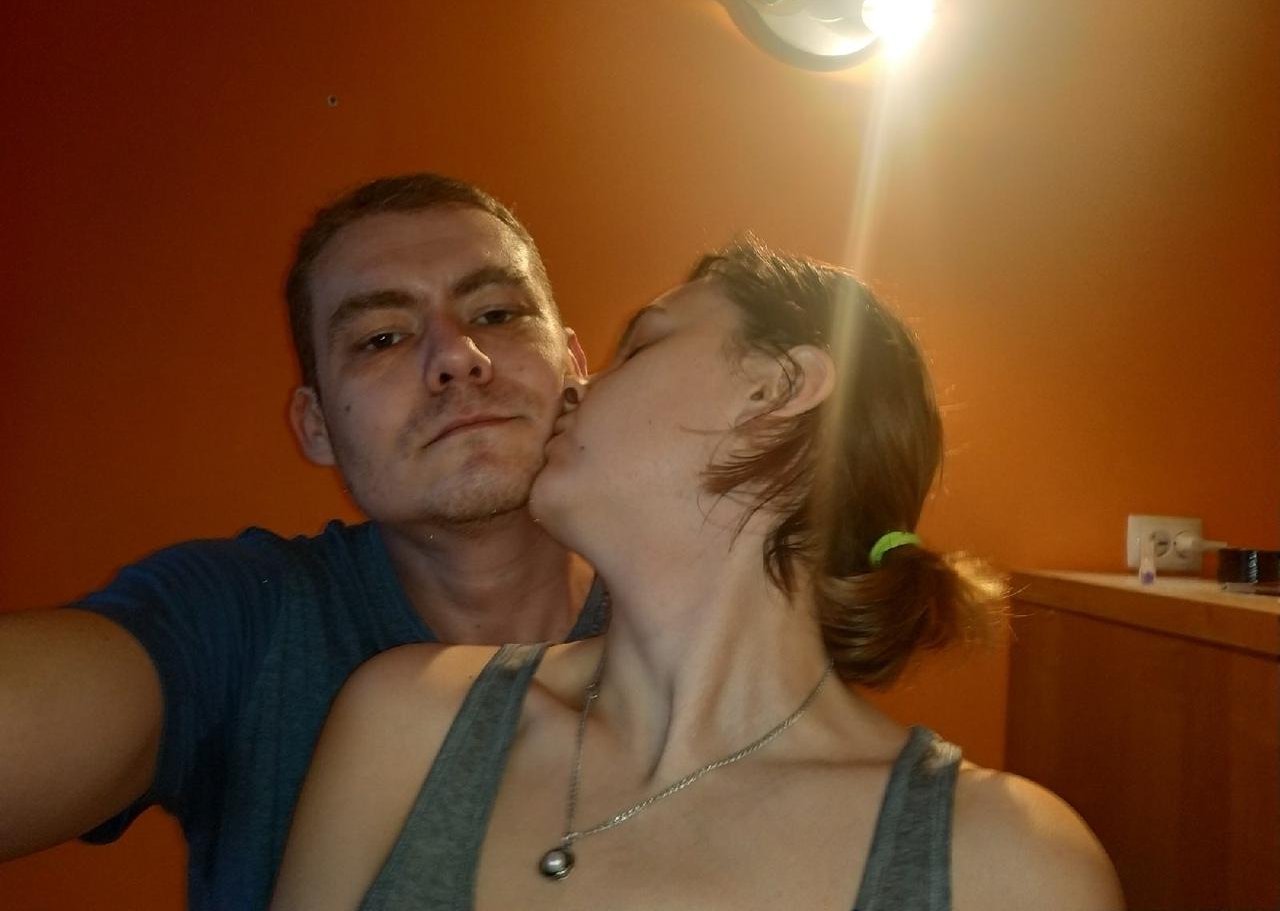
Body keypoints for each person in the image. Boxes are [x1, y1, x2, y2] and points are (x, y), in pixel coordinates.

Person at [271, 238, 1123, 911]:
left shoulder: (1007, 863)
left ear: (777, 389)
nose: (573, 391)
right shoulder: (408, 722)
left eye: (640, 345)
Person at [0, 174, 607, 909]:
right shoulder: (237, 620)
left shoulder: (710, 616)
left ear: (574, 366)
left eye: (498, 313)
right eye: (383, 337)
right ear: (315, 425)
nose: (457, 355)